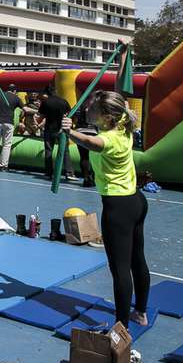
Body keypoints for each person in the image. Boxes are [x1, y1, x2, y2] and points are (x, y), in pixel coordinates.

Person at [62, 90, 150, 336]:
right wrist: (122, 57)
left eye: (91, 108)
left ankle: (121, 327)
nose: (86, 110)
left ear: (106, 117)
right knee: (137, 260)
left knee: (120, 268)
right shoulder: (124, 123)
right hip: (136, 201)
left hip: (118, 208)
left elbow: (92, 143)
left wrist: (70, 132)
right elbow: (120, 94)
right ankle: (140, 313)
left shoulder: (109, 139)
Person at [24, 87, 76, 181]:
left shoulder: (46, 102)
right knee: (65, 151)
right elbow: (69, 113)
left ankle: (49, 172)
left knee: (48, 151)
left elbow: (41, 115)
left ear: (46, 93)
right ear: (55, 92)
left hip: (49, 129)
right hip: (61, 129)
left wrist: (37, 123)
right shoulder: (63, 101)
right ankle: (69, 173)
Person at [0, 83, 23, 171]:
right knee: (6, 144)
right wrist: (36, 111)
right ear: (15, 91)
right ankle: (3, 165)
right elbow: (25, 109)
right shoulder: (16, 98)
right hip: (9, 123)